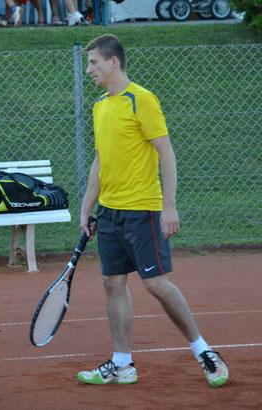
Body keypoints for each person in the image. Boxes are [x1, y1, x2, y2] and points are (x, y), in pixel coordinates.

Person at [78, 34, 229, 387]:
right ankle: (122, 364)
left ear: (113, 61)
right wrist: (87, 208)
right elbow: (100, 162)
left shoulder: (141, 100)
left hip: (142, 209)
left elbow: (166, 153)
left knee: (156, 284)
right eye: (88, 63)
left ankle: (206, 353)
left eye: (93, 62)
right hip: (110, 212)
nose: (89, 70)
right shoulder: (101, 106)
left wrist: (169, 206)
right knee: (112, 282)